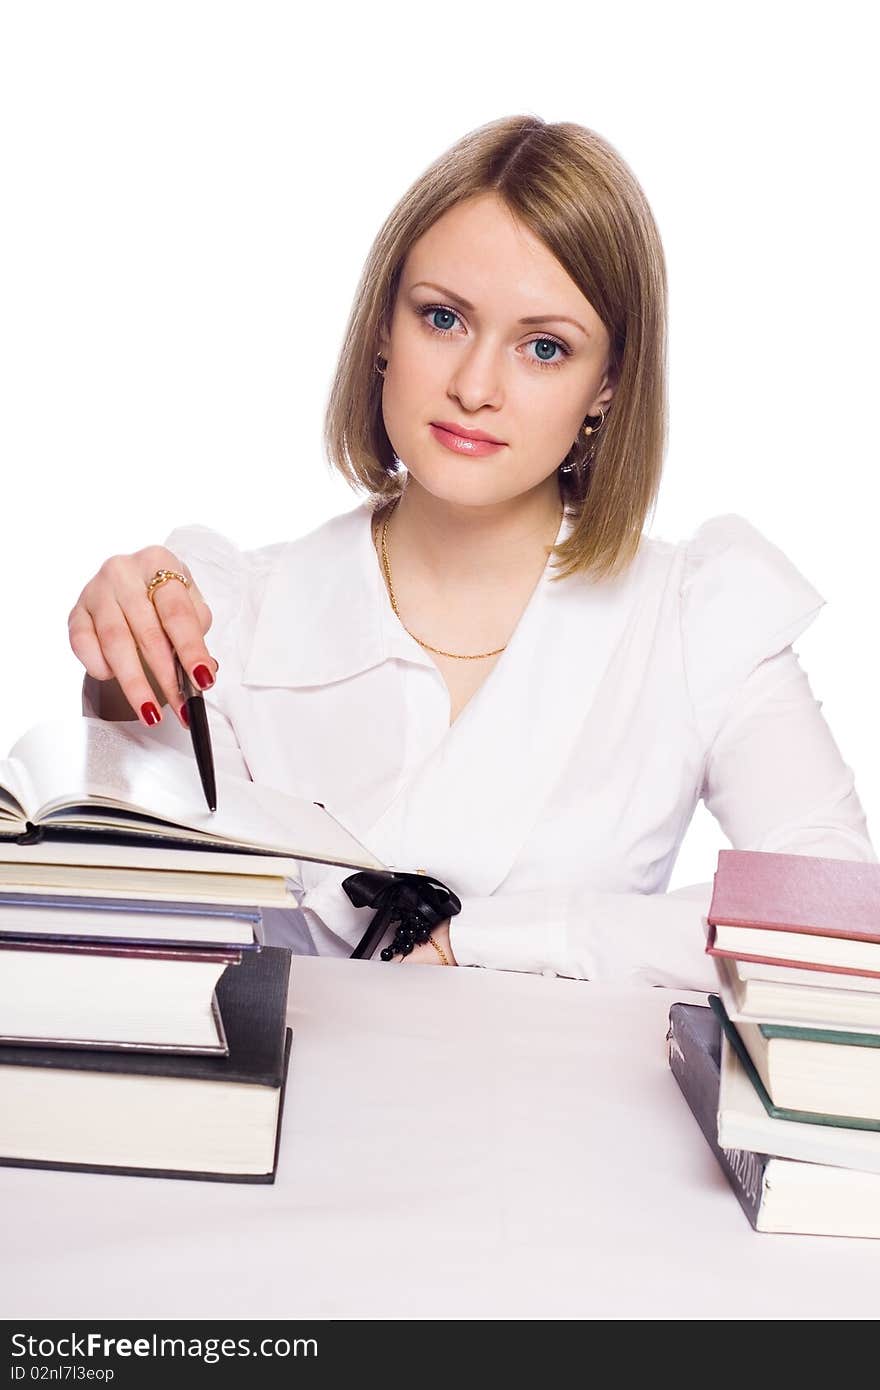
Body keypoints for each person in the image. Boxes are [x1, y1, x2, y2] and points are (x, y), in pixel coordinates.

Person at [67, 114, 876, 987]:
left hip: (581, 1124)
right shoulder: (232, 609)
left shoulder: (695, 620)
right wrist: (124, 683)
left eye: (543, 347)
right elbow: (147, 931)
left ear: (607, 384)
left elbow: (836, 913)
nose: (475, 387)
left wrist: (495, 938)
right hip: (274, 1122)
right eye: (444, 318)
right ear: (383, 328)